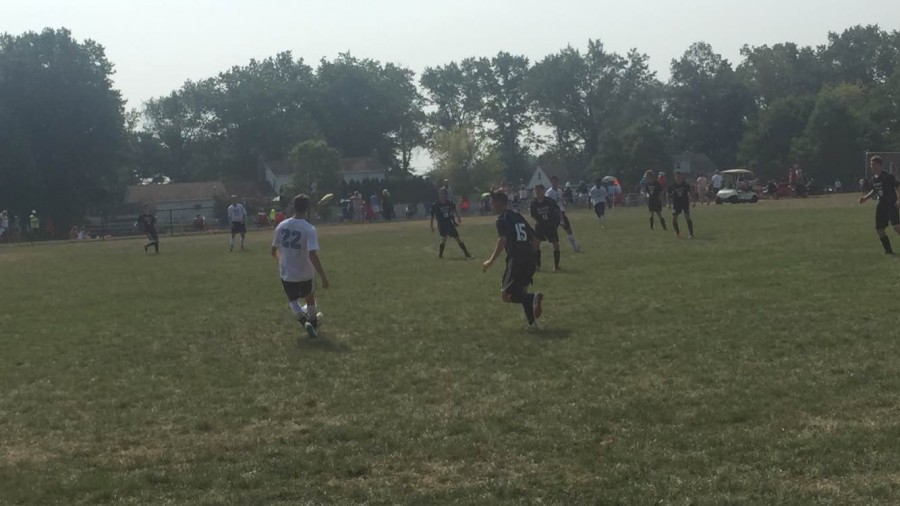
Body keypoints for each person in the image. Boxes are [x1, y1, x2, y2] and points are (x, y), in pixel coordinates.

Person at [481, 191, 544, 331]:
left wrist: (490, 261)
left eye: (492, 201)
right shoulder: (517, 216)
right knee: (521, 292)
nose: (490, 204)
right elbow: (536, 239)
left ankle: (533, 298)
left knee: (506, 295)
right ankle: (532, 324)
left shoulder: (501, 219)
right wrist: (532, 256)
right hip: (529, 257)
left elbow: (502, 241)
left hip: (516, 259)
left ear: (499, 203)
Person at [272, 194, 330, 339]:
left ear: (293, 206)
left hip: (287, 274)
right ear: (307, 208)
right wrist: (323, 277)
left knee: (292, 301)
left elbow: (273, 251)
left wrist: (283, 261)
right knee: (310, 298)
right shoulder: (309, 228)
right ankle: (313, 323)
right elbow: (312, 255)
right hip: (305, 273)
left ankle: (305, 323)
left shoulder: (281, 225)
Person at [859, 155, 900, 254]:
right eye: (871, 164)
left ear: (879, 165)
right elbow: (875, 190)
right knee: (879, 229)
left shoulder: (887, 176)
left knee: (896, 226)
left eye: (873, 164)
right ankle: (888, 251)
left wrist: (899, 200)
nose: (871, 166)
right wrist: (865, 198)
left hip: (891, 204)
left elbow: (898, 186)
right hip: (882, 205)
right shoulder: (874, 178)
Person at [430, 188, 472, 259]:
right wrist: (431, 226)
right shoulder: (436, 204)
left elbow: (454, 209)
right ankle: (440, 255)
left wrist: (458, 217)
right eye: (440, 193)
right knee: (444, 238)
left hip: (449, 223)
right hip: (442, 224)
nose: (441, 195)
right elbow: (432, 216)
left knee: (457, 238)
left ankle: (466, 253)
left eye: (443, 193)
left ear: (446, 195)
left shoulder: (449, 203)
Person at [530, 184, 563, 271]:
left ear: (543, 191)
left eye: (538, 190)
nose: (537, 192)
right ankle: (537, 266)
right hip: (540, 226)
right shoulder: (533, 203)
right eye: (535, 190)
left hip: (550, 225)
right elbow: (533, 215)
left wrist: (561, 220)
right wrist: (536, 221)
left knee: (555, 244)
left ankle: (556, 266)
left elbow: (558, 210)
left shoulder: (549, 201)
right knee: (536, 244)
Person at [545, 176, 581, 252]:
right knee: (553, 232)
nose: (554, 183)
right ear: (551, 182)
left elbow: (561, 200)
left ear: (558, 182)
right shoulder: (548, 193)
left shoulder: (559, 191)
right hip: (553, 215)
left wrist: (564, 203)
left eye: (556, 181)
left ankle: (575, 247)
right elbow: (546, 204)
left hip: (561, 212)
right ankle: (554, 248)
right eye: (553, 182)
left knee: (568, 229)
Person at [669, 171, 695, 239]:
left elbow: (691, 192)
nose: (678, 178)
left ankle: (691, 234)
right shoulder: (672, 185)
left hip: (684, 203)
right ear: (675, 177)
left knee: (687, 217)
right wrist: (669, 204)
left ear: (681, 177)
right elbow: (668, 194)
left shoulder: (685, 184)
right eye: (676, 176)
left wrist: (693, 201)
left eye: (679, 176)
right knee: (674, 219)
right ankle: (677, 233)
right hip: (676, 204)